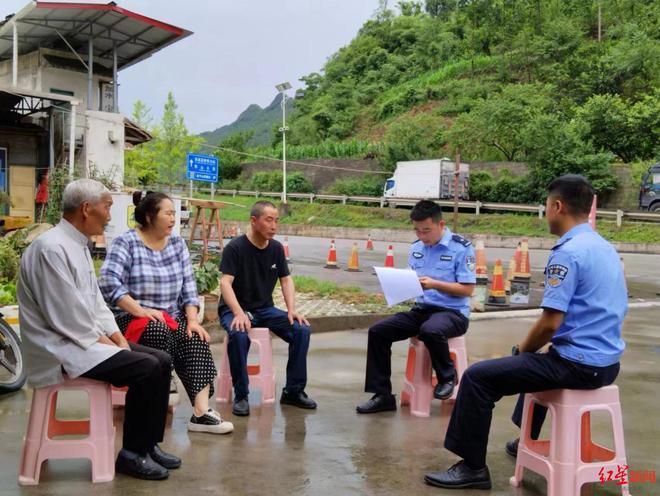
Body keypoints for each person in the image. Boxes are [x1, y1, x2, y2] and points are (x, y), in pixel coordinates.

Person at [424, 175, 627, 490]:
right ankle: (526, 439)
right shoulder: (604, 247)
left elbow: (550, 323)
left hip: (579, 366)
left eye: (546, 205)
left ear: (557, 206)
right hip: (608, 364)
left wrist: (522, 348)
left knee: (480, 377)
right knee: (535, 358)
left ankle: (472, 467)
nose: (545, 211)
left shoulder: (568, 252)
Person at [17, 179, 179, 480]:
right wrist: (107, 342)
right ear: (86, 209)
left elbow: (95, 303)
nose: (109, 213)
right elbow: (64, 316)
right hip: (60, 348)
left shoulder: (76, 245)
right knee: (145, 367)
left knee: (161, 360)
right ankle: (131, 454)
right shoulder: (50, 249)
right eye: (107, 206)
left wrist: (117, 337)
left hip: (83, 340)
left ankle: (147, 445)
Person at [99, 191, 233, 435]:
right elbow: (109, 283)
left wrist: (192, 320)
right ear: (150, 216)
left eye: (175, 213)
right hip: (132, 319)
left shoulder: (177, 244)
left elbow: (188, 286)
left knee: (196, 338)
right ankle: (164, 378)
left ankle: (201, 414)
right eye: (168, 213)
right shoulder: (126, 242)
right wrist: (142, 310)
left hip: (170, 318)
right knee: (157, 330)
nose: (174, 218)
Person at [356, 200, 476, 414]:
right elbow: (412, 282)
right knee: (378, 332)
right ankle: (382, 395)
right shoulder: (416, 248)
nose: (422, 236)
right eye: (417, 231)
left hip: (453, 313)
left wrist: (435, 284)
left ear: (441, 225)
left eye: (427, 231)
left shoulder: (461, 248)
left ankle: (447, 377)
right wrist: (394, 286)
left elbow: (467, 290)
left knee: (431, 330)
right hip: (422, 310)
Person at [219, 201, 317, 417]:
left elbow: (286, 280)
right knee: (239, 334)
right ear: (254, 221)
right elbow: (225, 283)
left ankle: (293, 390)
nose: (274, 225)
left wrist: (291, 310)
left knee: (301, 330)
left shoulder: (276, 248)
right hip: (234, 309)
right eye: (268, 220)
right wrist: (238, 312)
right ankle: (242, 395)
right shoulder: (235, 247)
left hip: (265, 309)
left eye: (276, 220)